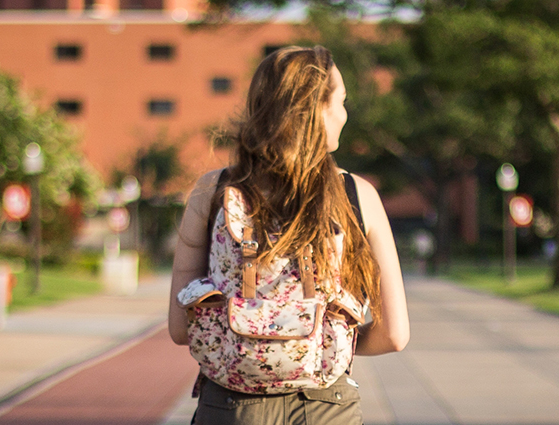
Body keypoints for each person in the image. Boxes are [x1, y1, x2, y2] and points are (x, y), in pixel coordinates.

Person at [167, 45, 410, 425]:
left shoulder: (211, 192)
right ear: (317, 110)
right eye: (341, 102)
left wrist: (256, 345)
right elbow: (395, 334)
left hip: (231, 407)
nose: (345, 115)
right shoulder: (357, 195)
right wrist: (311, 345)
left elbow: (182, 329)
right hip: (328, 408)